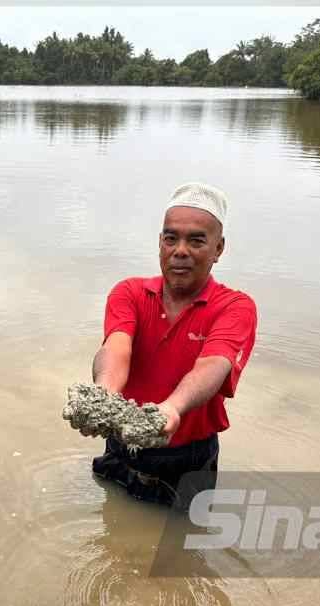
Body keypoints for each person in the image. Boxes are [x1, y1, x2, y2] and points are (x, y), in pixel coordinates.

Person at [90, 182, 257, 505]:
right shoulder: (130, 293)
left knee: (180, 545)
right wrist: (104, 393)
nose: (180, 250)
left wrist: (172, 408)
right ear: (160, 243)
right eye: (171, 238)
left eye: (196, 240)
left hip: (188, 458)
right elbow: (116, 348)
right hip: (122, 445)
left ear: (219, 248)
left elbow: (215, 364)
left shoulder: (235, 307)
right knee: (113, 529)